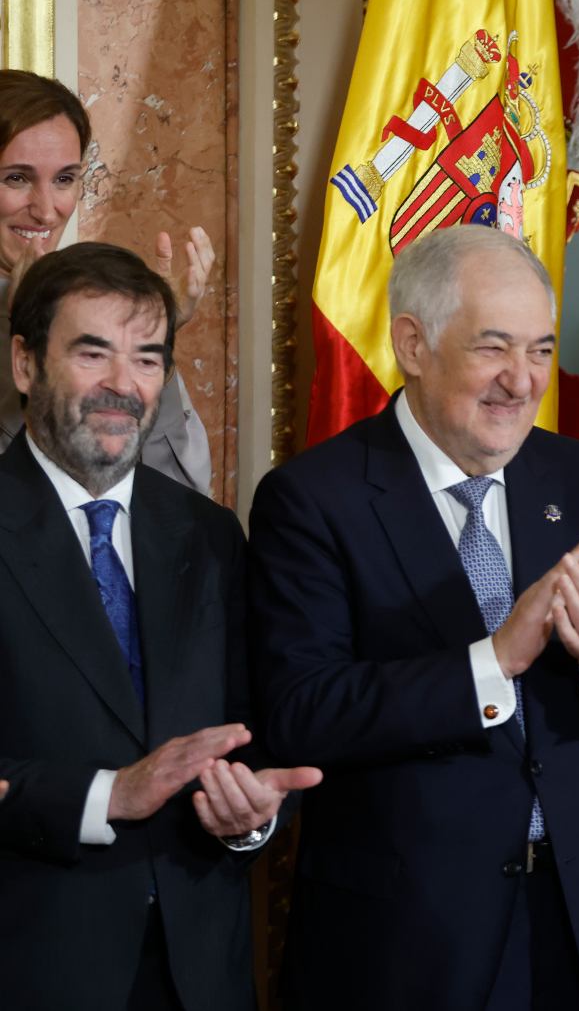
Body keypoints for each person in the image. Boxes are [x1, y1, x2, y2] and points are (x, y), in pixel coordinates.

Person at [248, 224, 579, 1011]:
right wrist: (492, 661)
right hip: (408, 945)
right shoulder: (314, 499)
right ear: (413, 344)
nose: (523, 381)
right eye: (493, 347)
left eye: (540, 349)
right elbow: (302, 712)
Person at [0, 242, 320, 1010]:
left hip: (200, 970)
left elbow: (255, 732)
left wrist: (248, 814)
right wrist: (108, 793)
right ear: (24, 363)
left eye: (147, 358)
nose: (123, 385)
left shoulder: (210, 536)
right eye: (92, 352)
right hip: (31, 963)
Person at [0, 68, 215, 494]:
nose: (46, 211)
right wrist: (22, 324)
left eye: (64, 179)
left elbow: (175, 499)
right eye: (16, 178)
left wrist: (158, 338)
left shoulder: (82, 300)